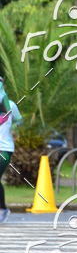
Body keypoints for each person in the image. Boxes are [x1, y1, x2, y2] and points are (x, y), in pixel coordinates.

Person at [0, 77, 23, 224]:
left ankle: (3, 209)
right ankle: (3, 208)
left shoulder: (11, 105)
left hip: (4, 148)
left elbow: (19, 120)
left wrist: (14, 128)